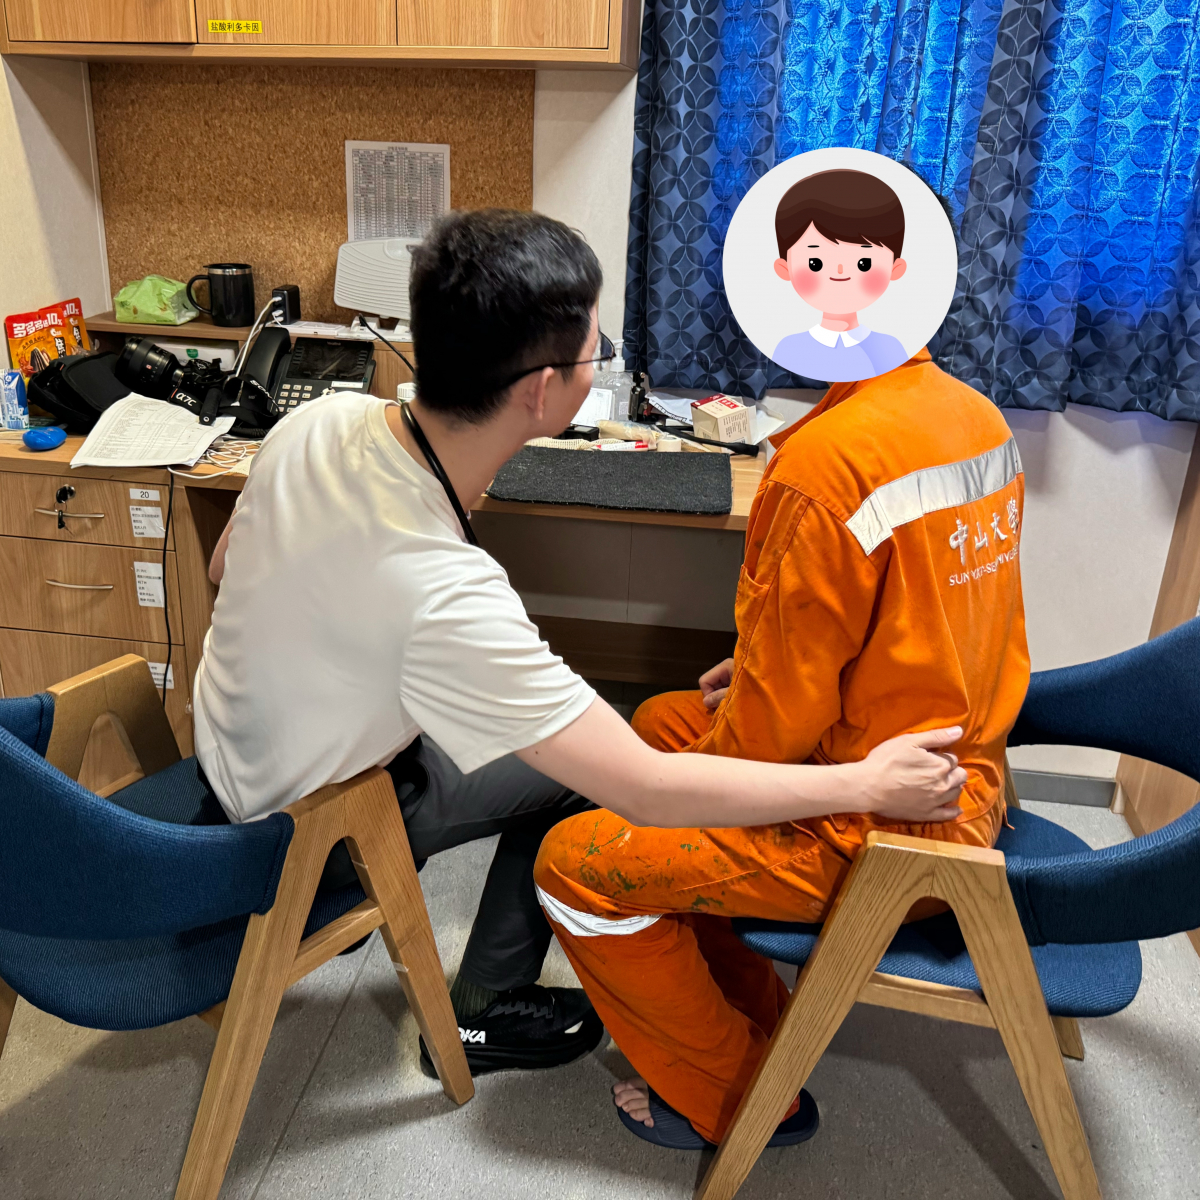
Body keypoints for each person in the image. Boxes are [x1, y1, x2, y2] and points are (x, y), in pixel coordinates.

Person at [195, 207, 967, 1080]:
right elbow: (646, 789)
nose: (603, 360)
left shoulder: (319, 422)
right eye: (596, 352)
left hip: (225, 758)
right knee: (587, 771)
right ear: (542, 390)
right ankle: (484, 1014)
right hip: (310, 833)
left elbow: (226, 566)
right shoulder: (446, 593)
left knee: (557, 735)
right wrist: (865, 783)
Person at [534, 344, 1029, 1147]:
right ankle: (752, 1013)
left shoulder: (827, 463)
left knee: (573, 866)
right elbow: (926, 612)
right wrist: (767, 658)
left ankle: (743, 1100)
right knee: (660, 722)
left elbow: (761, 747)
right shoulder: (971, 413)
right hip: (958, 765)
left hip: (895, 826)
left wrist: (753, 702)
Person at [771, 169, 909, 382]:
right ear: (784, 269)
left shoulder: (892, 348)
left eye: (863, 263)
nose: (840, 272)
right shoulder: (788, 347)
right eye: (815, 263)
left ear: (895, 269)